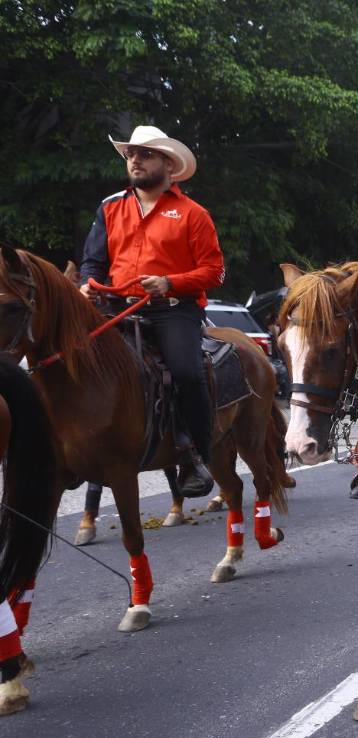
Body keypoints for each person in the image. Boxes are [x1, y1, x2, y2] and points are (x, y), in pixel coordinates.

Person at [79, 125, 222, 498]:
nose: (135, 161)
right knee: (74, 357)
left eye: (146, 154)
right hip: (116, 307)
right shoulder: (110, 207)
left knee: (186, 372)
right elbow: (93, 262)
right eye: (131, 154)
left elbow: (215, 272)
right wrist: (86, 285)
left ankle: (195, 454)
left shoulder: (193, 214)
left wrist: (169, 282)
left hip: (173, 310)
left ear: (169, 165)